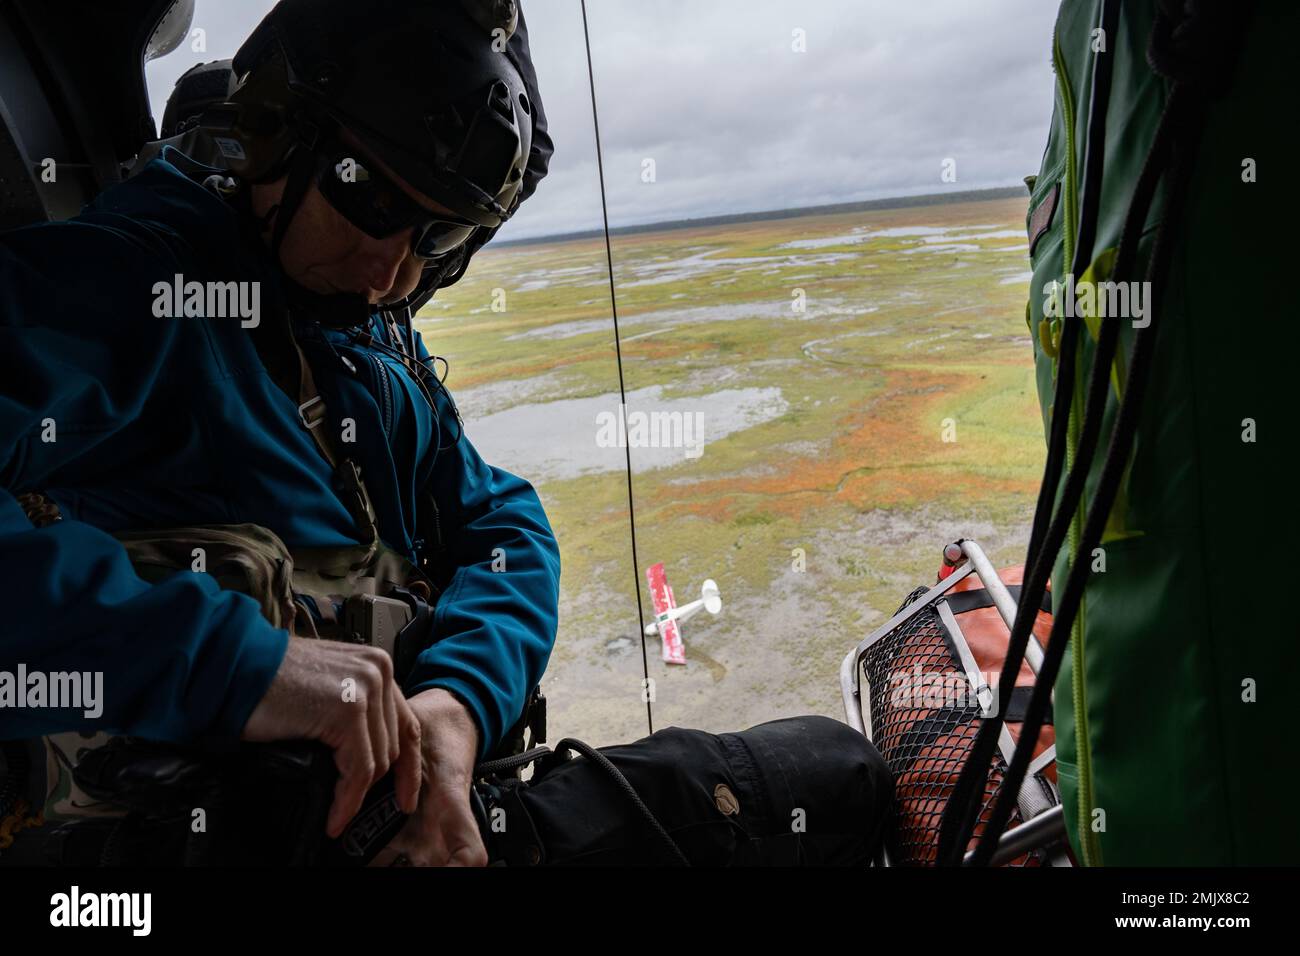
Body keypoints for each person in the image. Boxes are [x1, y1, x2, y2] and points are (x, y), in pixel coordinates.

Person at [1, 0, 559, 867]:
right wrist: (237, 664)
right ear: (275, 135)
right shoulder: (121, 286)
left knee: (821, 775)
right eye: (365, 195)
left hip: (419, 812)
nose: (389, 271)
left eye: (435, 234)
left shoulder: (376, 347)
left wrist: (455, 711)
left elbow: (506, 529)